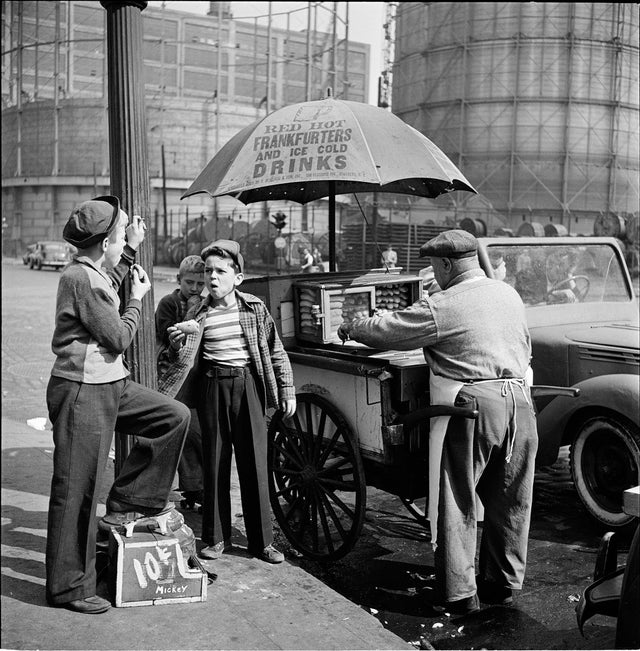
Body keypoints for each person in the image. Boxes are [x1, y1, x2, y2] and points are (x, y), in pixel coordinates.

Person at [338, 229, 537, 616]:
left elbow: (387, 331)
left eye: (434, 267)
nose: (434, 275)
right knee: (511, 499)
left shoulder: (443, 304)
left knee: (457, 498)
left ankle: (459, 593)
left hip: (475, 409)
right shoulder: (507, 293)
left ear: (446, 264)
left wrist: (352, 327)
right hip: (521, 405)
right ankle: (502, 584)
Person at [45, 196, 190, 614]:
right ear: (105, 240)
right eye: (122, 233)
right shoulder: (83, 279)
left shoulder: (92, 269)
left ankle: (130, 503)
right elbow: (119, 337)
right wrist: (137, 300)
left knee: (172, 417)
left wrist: (130, 249)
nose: (126, 237)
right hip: (82, 390)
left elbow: (111, 269)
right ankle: (68, 587)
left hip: (109, 383)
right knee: (77, 490)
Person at [157, 239, 297, 564]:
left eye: (221, 271)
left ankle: (262, 542)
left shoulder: (254, 308)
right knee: (215, 462)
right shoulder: (196, 311)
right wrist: (177, 344)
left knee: (254, 465)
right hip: (211, 388)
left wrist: (287, 389)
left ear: (238, 277)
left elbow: (276, 351)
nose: (212, 278)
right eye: (208, 271)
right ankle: (216, 538)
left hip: (247, 385)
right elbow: (176, 357)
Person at [156, 255, 206, 510]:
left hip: (197, 380)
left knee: (197, 436)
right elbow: (166, 336)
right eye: (190, 283)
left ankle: (195, 487)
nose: (195, 289)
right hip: (176, 380)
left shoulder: (206, 304)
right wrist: (190, 311)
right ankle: (188, 487)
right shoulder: (168, 303)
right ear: (179, 280)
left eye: (200, 283)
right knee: (183, 435)